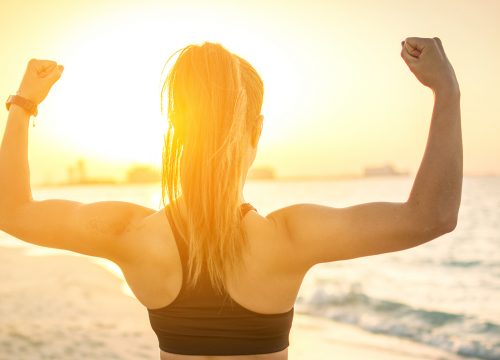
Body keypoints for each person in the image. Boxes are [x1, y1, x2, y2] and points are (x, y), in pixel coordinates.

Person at [0, 37, 462, 360]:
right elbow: (431, 217)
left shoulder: (130, 234)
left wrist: (24, 103)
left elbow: (13, 212)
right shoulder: (290, 238)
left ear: (177, 129)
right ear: (255, 129)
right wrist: (446, 90)